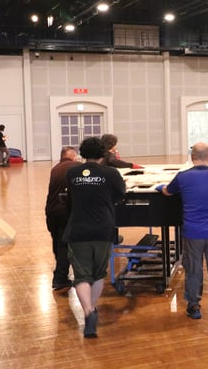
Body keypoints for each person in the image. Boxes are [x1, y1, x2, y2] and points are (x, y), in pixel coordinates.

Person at [156, 142, 208, 332]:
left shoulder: (183, 176)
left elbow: (167, 191)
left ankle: (193, 307)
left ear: (191, 157)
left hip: (192, 232)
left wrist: (161, 187)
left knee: (193, 269)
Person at [65, 137, 126, 338]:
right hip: (103, 228)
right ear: (103, 153)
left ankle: (88, 312)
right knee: (98, 274)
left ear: (82, 153)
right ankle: (92, 307)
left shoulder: (72, 173)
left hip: (78, 228)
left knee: (81, 275)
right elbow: (120, 195)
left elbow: (71, 196)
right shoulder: (111, 173)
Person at [45, 146, 81, 290]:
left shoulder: (55, 168)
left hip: (51, 211)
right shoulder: (75, 166)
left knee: (58, 243)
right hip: (64, 211)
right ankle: (60, 278)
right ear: (72, 156)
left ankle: (61, 273)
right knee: (64, 245)